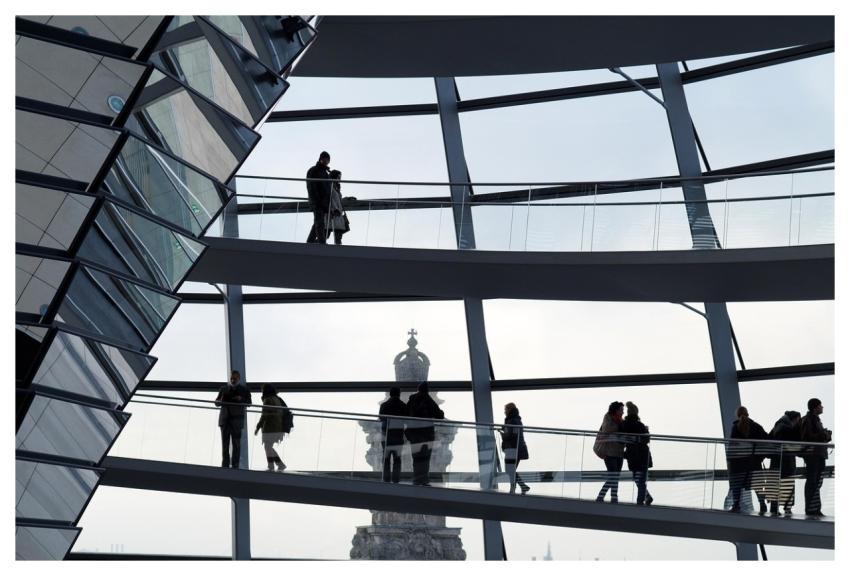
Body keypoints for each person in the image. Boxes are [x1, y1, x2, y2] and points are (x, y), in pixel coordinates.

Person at [727, 406, 769, 514]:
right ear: (748, 414)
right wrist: (760, 457)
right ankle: (762, 505)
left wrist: (730, 460)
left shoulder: (735, 427)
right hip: (753, 461)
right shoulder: (756, 427)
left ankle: (736, 505)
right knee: (758, 484)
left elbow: (732, 446)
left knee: (737, 484)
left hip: (738, 463)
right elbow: (767, 441)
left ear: (737, 415)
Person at [405, 382, 444, 486]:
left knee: (416, 457)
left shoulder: (412, 399)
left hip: (414, 434)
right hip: (427, 434)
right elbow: (439, 415)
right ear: (427, 390)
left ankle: (416, 479)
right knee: (426, 458)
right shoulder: (429, 400)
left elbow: (405, 414)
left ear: (418, 389)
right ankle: (424, 479)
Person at [766, 410, 802, 515]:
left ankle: (774, 507)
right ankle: (787, 508)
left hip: (777, 460)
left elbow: (769, 439)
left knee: (776, 483)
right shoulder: (786, 427)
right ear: (794, 418)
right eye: (798, 420)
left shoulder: (778, 425)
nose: (798, 422)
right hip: (786, 460)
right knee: (787, 483)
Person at [800, 398, 832, 517]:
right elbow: (808, 437)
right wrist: (824, 434)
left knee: (817, 482)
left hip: (818, 454)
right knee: (813, 482)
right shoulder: (808, 419)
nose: (822, 407)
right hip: (813, 455)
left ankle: (815, 509)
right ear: (815, 408)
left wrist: (825, 434)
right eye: (820, 405)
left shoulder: (815, 419)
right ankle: (811, 510)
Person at [215, 370, 252, 468]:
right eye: (231, 378)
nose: (232, 380)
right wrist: (221, 399)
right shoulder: (224, 389)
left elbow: (249, 403)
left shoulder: (244, 390)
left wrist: (241, 399)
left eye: (234, 378)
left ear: (239, 379)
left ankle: (235, 465)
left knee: (236, 444)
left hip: (236, 420)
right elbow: (216, 403)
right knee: (225, 444)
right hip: (225, 420)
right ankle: (225, 465)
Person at [621, 401, 654, 506]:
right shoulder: (640, 425)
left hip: (632, 456)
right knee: (641, 480)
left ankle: (645, 498)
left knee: (637, 479)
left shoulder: (624, 424)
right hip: (643, 455)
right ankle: (642, 500)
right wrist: (647, 431)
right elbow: (646, 439)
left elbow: (623, 439)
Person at [594, 401, 625, 503]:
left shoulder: (621, 420)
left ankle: (612, 497)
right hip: (609, 452)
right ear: (616, 410)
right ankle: (603, 497)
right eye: (621, 409)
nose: (623, 412)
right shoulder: (608, 417)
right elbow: (607, 429)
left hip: (619, 452)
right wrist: (619, 428)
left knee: (615, 476)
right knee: (613, 476)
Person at [253, 384, 288, 472]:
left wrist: (258, 427)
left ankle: (272, 465)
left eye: (262, 390)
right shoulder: (276, 399)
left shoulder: (267, 399)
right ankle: (278, 464)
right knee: (268, 446)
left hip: (270, 427)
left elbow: (264, 415)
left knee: (267, 446)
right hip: (278, 427)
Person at [379, 386, 408, 483]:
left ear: (390, 394)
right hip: (398, 435)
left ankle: (386, 478)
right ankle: (396, 479)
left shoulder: (384, 405)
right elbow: (406, 420)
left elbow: (381, 418)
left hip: (386, 434)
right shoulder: (403, 405)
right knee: (397, 459)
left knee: (386, 458)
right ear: (399, 394)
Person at [500, 403, 530, 495]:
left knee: (509, 470)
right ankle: (522, 486)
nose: (504, 412)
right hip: (517, 448)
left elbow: (510, 435)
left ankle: (515, 487)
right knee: (511, 470)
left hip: (513, 449)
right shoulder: (516, 420)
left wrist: (502, 434)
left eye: (505, 409)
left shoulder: (512, 420)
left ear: (509, 410)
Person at [305, 151, 331, 243]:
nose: (327, 161)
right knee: (319, 222)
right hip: (317, 201)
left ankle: (310, 242)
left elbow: (327, 190)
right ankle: (322, 242)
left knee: (318, 221)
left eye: (328, 160)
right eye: (326, 159)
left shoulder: (325, 173)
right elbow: (311, 186)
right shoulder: (314, 170)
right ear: (321, 158)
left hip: (323, 202)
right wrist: (316, 200)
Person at [325, 169, 351, 245]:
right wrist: (334, 209)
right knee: (326, 233)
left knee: (338, 234)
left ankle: (338, 247)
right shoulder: (329, 186)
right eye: (338, 177)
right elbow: (330, 198)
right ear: (334, 177)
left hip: (338, 212)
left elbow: (338, 199)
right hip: (332, 212)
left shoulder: (337, 187)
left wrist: (347, 198)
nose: (340, 179)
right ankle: (315, 245)